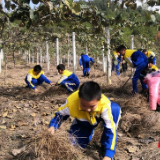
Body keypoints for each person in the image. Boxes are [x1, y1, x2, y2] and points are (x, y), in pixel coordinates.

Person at [48, 81, 121, 160]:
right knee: (73, 145)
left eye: (92, 106)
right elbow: (59, 115)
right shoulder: (71, 103)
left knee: (115, 109)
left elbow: (111, 131)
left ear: (99, 100)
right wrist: (52, 126)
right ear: (79, 99)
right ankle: (87, 131)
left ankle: (105, 145)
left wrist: (108, 156)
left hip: (99, 116)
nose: (87, 109)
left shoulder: (105, 106)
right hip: (83, 122)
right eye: (83, 105)